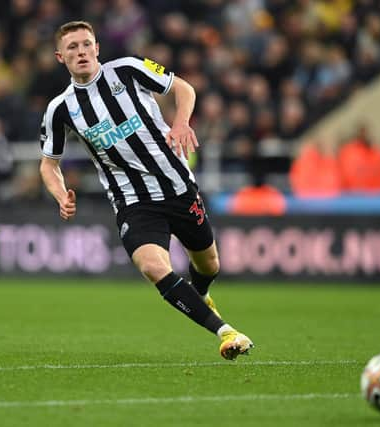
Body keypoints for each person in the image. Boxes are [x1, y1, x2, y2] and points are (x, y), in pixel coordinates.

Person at [39, 21, 254, 359]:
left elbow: (183, 88)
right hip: (132, 201)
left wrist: (181, 122)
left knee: (209, 263)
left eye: (86, 45)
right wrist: (60, 194)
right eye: (72, 48)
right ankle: (226, 332)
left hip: (177, 187)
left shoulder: (128, 69)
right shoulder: (61, 108)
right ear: (60, 57)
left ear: (97, 48)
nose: (80, 52)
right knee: (153, 267)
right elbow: (48, 164)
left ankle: (202, 294)